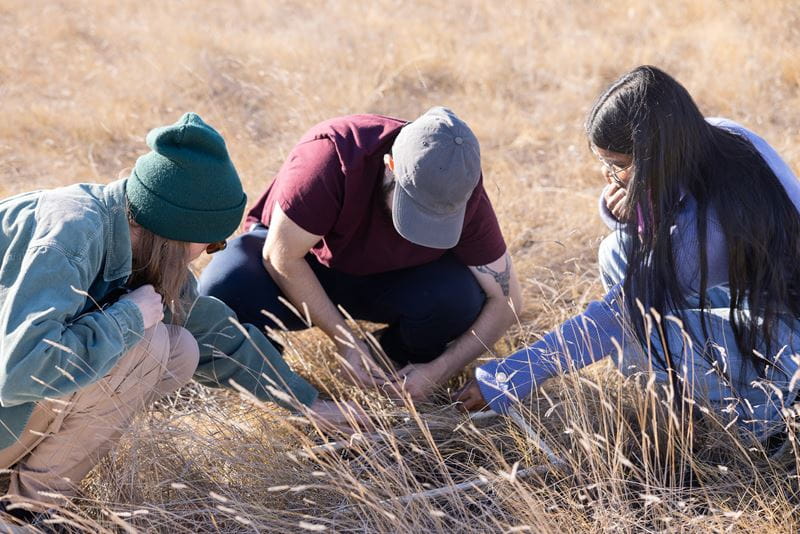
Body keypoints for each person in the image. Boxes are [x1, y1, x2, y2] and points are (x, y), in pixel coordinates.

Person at [0, 113, 352, 523]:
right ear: (176, 229)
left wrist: (306, 403)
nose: (210, 252)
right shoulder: (71, 236)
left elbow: (217, 334)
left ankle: (26, 492)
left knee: (179, 348)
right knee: (146, 344)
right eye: (213, 241)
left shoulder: (140, 244)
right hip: (11, 387)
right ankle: (22, 515)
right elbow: (21, 369)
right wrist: (126, 319)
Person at [456, 66, 800, 442]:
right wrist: (633, 210)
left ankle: (765, 423)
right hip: (760, 303)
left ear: (657, 156)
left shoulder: (711, 228)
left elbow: (619, 317)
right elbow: (664, 242)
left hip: (788, 346)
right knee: (617, 250)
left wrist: (509, 377)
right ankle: (694, 389)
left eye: (619, 165)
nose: (609, 175)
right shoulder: (720, 136)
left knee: (639, 335)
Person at [198, 107, 522, 401]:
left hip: (388, 280)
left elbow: (507, 301)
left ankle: (388, 362)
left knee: (459, 296)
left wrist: (440, 369)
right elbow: (281, 256)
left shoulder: (459, 190)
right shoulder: (332, 156)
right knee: (222, 288)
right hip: (304, 266)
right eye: (414, 210)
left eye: (440, 219)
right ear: (390, 166)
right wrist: (345, 342)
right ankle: (278, 389)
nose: (424, 227)